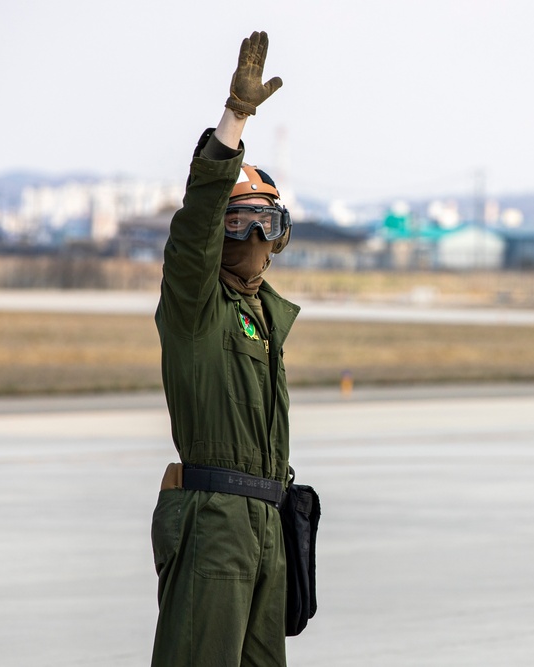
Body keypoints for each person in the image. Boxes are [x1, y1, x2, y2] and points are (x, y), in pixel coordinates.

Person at [149, 30, 298, 667]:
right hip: (213, 523)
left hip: (268, 521)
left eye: (269, 222)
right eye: (244, 222)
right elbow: (197, 224)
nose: (258, 236)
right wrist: (234, 122)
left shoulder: (265, 314)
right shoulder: (195, 305)